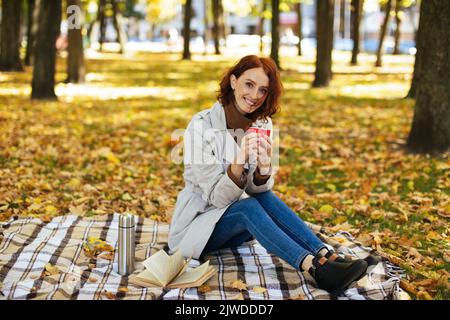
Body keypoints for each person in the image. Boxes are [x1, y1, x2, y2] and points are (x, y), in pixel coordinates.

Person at [168, 55, 368, 296]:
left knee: (261, 200)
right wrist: (240, 159)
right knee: (248, 208)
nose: (255, 96)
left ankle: (326, 256)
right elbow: (218, 199)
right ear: (233, 82)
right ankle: (313, 269)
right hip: (197, 226)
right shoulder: (200, 126)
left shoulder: (263, 124)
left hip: (233, 227)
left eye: (263, 90)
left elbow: (259, 191)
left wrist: (264, 170)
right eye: (249, 84)